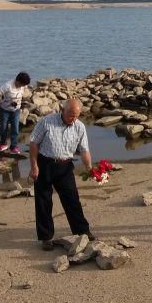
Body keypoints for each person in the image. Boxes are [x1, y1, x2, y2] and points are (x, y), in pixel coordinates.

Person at [28, 98, 96, 250]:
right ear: (62, 110)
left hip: (65, 166)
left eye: (77, 115)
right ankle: (46, 237)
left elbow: (84, 150)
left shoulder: (79, 127)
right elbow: (33, 143)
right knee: (43, 201)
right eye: (71, 115)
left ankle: (82, 231)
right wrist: (34, 166)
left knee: (72, 200)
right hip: (45, 164)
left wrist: (89, 167)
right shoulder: (46, 121)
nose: (73, 119)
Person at [0, 71, 31, 154]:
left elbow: (24, 91)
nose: (23, 86)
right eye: (22, 84)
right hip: (4, 110)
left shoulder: (23, 86)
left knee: (15, 129)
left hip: (15, 110)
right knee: (3, 128)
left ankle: (13, 146)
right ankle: (2, 144)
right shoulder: (7, 86)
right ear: (18, 81)